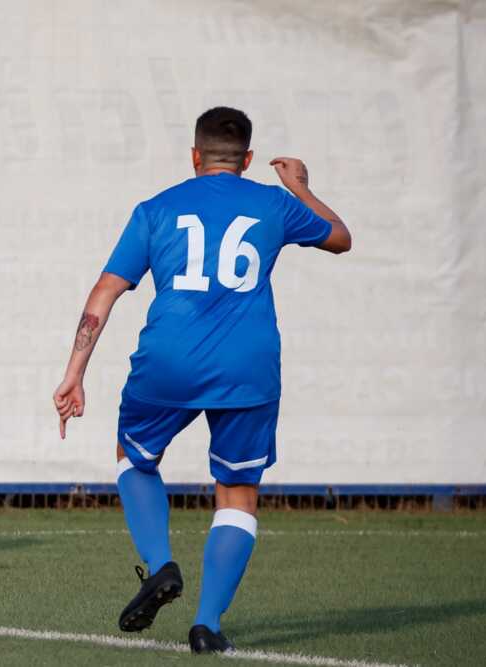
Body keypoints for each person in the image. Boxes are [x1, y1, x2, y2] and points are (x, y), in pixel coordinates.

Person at [53, 107, 351, 652]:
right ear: (249, 160)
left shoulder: (157, 209)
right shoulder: (273, 202)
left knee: (134, 454)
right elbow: (340, 237)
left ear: (194, 156)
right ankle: (207, 625)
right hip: (248, 366)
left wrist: (74, 374)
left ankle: (162, 562)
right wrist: (302, 187)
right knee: (236, 493)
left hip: (169, 358)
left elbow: (104, 292)